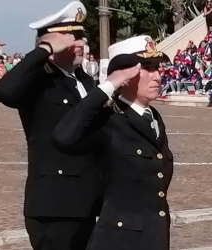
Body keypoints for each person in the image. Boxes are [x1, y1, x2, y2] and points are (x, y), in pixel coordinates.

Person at [0, 2, 139, 250]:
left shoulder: (84, 80)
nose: (80, 43)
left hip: (91, 200)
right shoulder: (40, 80)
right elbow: (6, 92)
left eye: (81, 36)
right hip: (56, 205)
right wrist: (44, 49)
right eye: (71, 38)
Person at [51, 35, 174, 250]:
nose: (157, 76)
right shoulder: (108, 119)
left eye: (157, 68)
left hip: (153, 236)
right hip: (119, 240)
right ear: (125, 75)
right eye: (147, 68)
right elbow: (63, 137)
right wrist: (108, 85)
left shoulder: (153, 116)